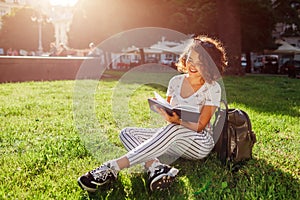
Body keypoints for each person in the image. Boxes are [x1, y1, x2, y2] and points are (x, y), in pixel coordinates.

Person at [77, 35, 228, 192]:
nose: (192, 64)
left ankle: (112, 167)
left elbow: (200, 126)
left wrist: (176, 121)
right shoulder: (175, 82)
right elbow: (170, 111)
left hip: (200, 142)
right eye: (190, 58)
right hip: (174, 138)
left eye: (199, 62)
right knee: (127, 133)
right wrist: (165, 113)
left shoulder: (212, 87)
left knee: (175, 129)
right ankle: (155, 168)